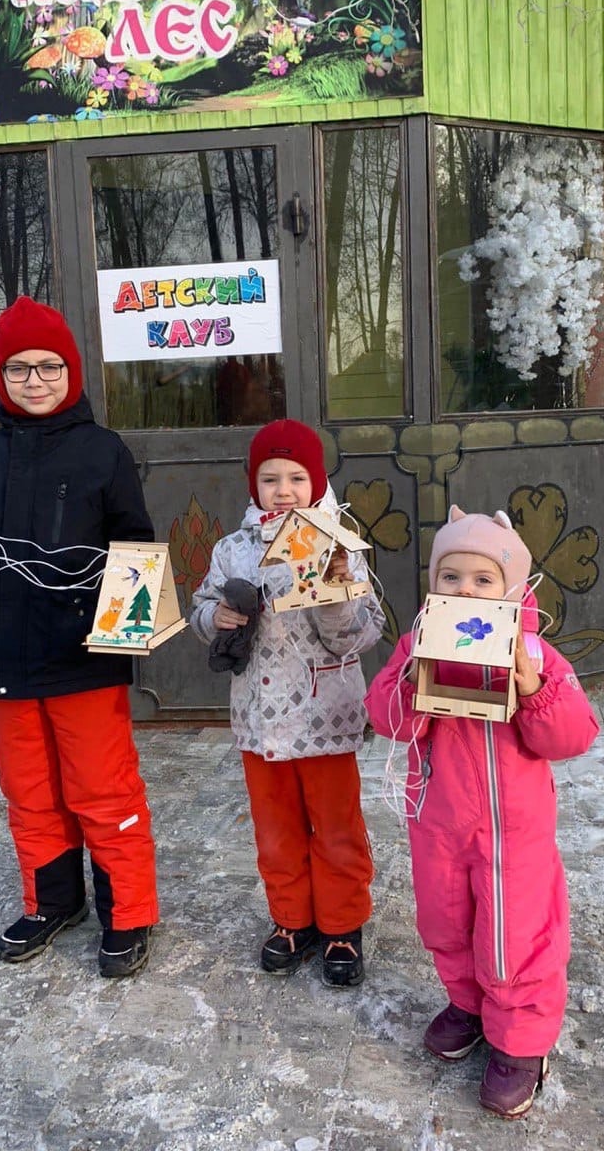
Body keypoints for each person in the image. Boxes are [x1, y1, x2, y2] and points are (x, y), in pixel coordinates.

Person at [0, 295, 159, 979]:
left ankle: (128, 913)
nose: (34, 380)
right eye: (18, 369)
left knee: (103, 792)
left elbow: (134, 547)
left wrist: (125, 631)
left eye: (47, 367)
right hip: (6, 657)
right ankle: (52, 903)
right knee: (30, 793)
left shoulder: (104, 452)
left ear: (70, 372)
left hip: (81, 659)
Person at [364, 506, 598, 1120]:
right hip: (439, 825)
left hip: (513, 834)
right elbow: (386, 718)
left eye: (482, 579)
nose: (465, 589)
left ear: (514, 588)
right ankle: (467, 1002)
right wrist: (411, 684)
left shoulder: (536, 656)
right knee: (446, 921)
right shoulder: (419, 644)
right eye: (451, 577)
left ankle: (521, 1043)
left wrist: (534, 691)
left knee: (513, 936)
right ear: (433, 585)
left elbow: (574, 735)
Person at [190, 419, 384, 986]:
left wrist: (335, 595)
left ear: (317, 481)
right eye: (270, 478)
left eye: (296, 477)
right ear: (253, 485)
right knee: (275, 827)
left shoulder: (339, 546)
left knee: (336, 824)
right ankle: (292, 919)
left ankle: (343, 924)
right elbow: (204, 606)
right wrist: (214, 618)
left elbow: (358, 635)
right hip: (261, 719)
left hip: (325, 715)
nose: (283, 490)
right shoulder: (233, 549)